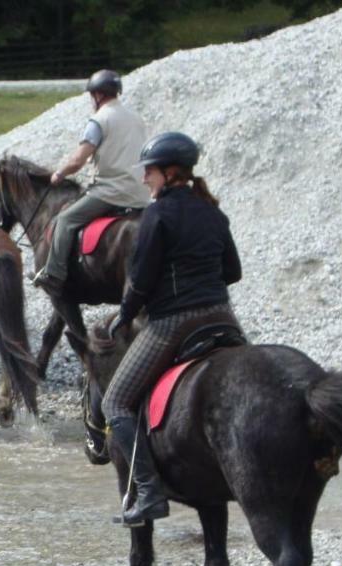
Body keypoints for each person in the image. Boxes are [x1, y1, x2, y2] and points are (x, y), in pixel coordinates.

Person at [101, 131, 244, 526]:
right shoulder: (214, 213)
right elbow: (232, 271)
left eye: (149, 172)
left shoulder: (158, 215)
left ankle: (147, 491)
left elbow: (142, 281)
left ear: (168, 172)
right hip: (223, 317)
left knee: (113, 403)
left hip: (175, 323)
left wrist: (124, 316)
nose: (145, 178)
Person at [31, 69, 149, 296]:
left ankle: (53, 275)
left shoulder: (99, 120)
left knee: (65, 219)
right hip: (142, 193)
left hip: (112, 191)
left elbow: (78, 160)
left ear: (97, 95)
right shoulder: (136, 119)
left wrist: (59, 174)